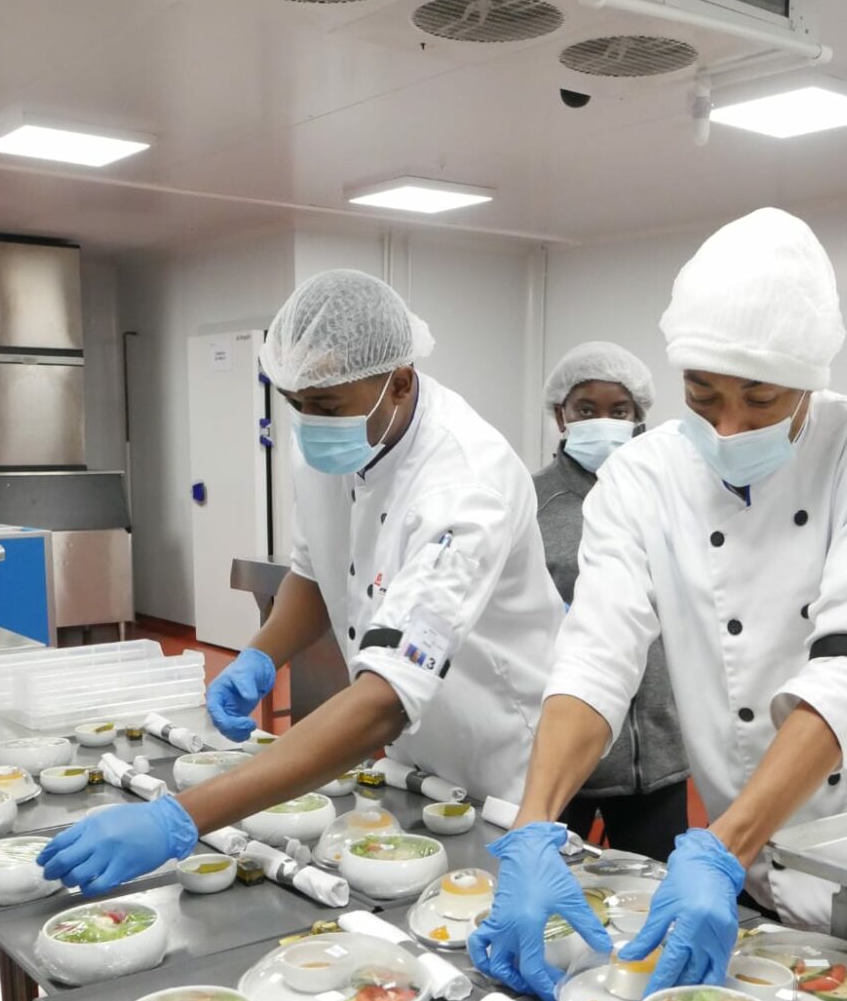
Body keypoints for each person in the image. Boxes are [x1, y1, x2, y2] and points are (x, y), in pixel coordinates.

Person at [469, 208, 847, 1001]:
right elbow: (595, 656)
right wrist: (533, 823)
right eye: (702, 395)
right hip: (753, 884)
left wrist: (720, 847)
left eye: (761, 399)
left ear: (811, 379)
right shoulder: (642, 477)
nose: (729, 428)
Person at [38, 272, 603, 927]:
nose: (310, 422)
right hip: (411, 752)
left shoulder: (466, 482)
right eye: (295, 402)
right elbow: (315, 570)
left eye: (327, 405)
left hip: (503, 759)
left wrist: (180, 819)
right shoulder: (331, 442)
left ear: (400, 381)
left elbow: (384, 699)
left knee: (472, 921)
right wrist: (261, 654)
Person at [535, 341, 688, 858]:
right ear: (561, 415)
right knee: (557, 882)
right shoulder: (532, 503)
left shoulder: (667, 501)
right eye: (586, 409)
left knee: (655, 889)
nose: (603, 421)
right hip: (565, 750)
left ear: (639, 417)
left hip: (660, 754)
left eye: (619, 411)